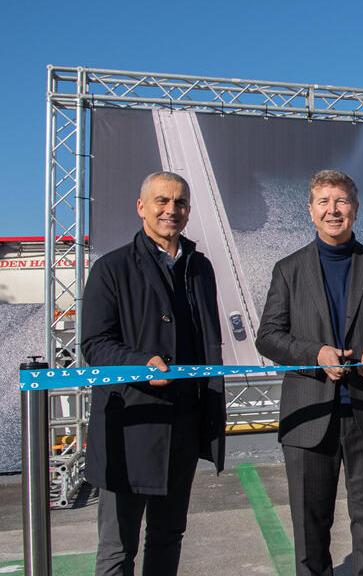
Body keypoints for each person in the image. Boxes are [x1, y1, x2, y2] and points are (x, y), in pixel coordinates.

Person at [255, 169, 363, 576]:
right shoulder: (288, 269)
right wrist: (314, 353)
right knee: (310, 529)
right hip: (308, 416)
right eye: (324, 201)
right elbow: (268, 336)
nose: (333, 210)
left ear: (355, 209)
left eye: (341, 201)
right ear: (310, 211)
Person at [82, 171, 226, 576]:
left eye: (180, 202)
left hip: (182, 429)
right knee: (116, 549)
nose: (171, 210)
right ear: (141, 207)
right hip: (129, 430)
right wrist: (139, 363)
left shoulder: (201, 268)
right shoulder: (111, 269)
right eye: (162, 201)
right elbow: (95, 344)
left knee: (168, 537)